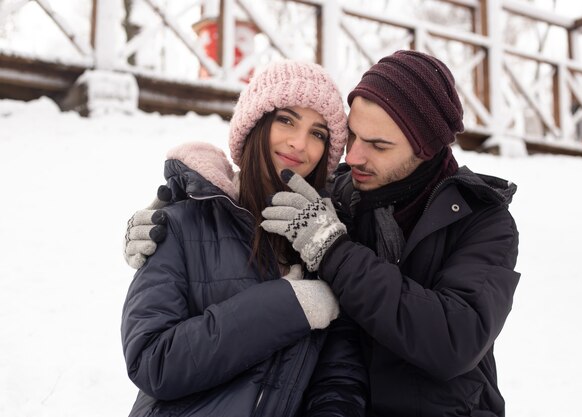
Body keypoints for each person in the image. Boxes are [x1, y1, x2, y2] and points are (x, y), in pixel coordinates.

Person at [126, 50, 521, 417]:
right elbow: (154, 356)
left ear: (426, 149)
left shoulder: (482, 221)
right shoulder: (336, 201)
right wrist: (180, 201)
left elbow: (453, 340)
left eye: (378, 145)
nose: (356, 157)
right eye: (351, 137)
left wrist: (333, 251)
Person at [120, 60, 367, 417]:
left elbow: (339, 374)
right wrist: (289, 306)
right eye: (286, 120)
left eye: (318, 133)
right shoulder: (180, 222)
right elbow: (152, 362)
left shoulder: (326, 242)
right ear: (255, 124)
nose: (300, 144)